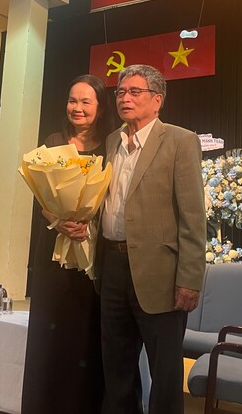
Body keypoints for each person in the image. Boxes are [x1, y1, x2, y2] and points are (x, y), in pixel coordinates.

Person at [62, 64, 206, 413]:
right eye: (121, 92)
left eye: (135, 92)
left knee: (165, 373)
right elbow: (104, 201)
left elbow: (192, 217)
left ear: (157, 100)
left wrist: (189, 279)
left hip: (160, 274)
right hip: (112, 267)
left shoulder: (180, 141)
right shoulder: (112, 141)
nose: (125, 98)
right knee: (117, 366)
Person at [21, 74, 113, 414]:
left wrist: (89, 221)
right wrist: (59, 219)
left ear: (100, 107)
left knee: (86, 331)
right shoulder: (54, 142)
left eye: (86, 102)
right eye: (73, 100)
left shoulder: (111, 145)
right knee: (50, 333)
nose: (77, 108)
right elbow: (40, 194)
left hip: (93, 254)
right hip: (53, 249)